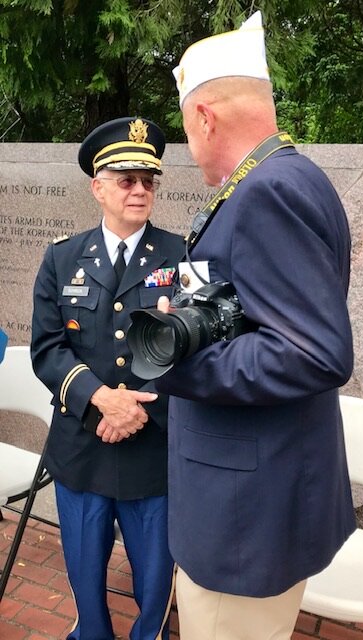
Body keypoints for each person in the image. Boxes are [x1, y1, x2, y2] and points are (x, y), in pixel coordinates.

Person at [155, 12, 356, 640]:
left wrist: (179, 362)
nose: (191, 145)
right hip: (257, 498)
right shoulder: (285, 178)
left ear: (206, 116)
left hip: (240, 520)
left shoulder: (268, 191)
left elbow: (314, 352)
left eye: (188, 127)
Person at [31, 116, 185, 640]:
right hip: (82, 450)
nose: (140, 190)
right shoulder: (62, 257)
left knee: (156, 582)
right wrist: (101, 398)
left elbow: (197, 349)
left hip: (152, 451)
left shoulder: (181, 255)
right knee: (83, 574)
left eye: (149, 181)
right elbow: (48, 348)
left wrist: (135, 408)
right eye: (126, 180)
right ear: (98, 187)